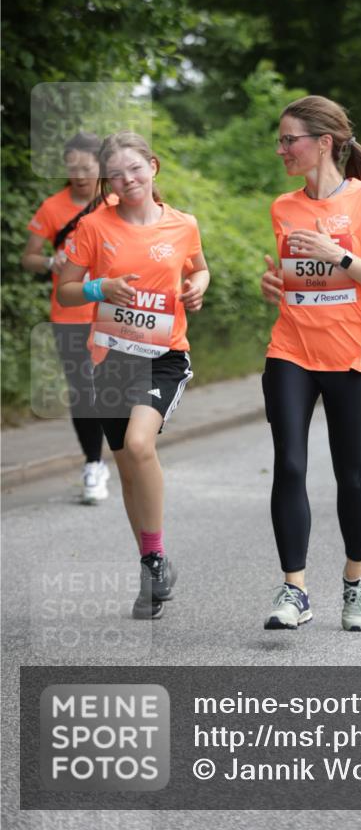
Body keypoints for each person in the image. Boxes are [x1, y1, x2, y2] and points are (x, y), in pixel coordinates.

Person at [260, 96, 361, 632]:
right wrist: (274, 283)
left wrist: (337, 253)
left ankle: (355, 580)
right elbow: (293, 278)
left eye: (288, 140)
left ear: (322, 143)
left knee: (350, 473)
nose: (281, 150)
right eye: (280, 140)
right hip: (291, 350)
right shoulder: (283, 207)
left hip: (351, 356)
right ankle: (294, 589)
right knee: (290, 466)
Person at [57, 131, 210, 619]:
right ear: (107, 182)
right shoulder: (94, 226)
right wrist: (102, 286)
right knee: (126, 467)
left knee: (141, 446)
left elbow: (200, 269)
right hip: (111, 358)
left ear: (154, 166)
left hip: (163, 355)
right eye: (117, 174)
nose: (128, 179)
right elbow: (66, 292)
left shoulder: (182, 225)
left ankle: (156, 556)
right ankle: (152, 562)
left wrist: (196, 289)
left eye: (136, 168)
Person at [22, 132, 111, 503]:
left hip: (112, 314)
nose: (79, 174)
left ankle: (130, 452)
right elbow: (28, 258)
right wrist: (49, 262)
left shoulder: (115, 203)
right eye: (72, 167)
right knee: (83, 391)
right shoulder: (52, 208)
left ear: (101, 167)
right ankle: (94, 463)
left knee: (117, 389)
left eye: (86, 167)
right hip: (70, 315)